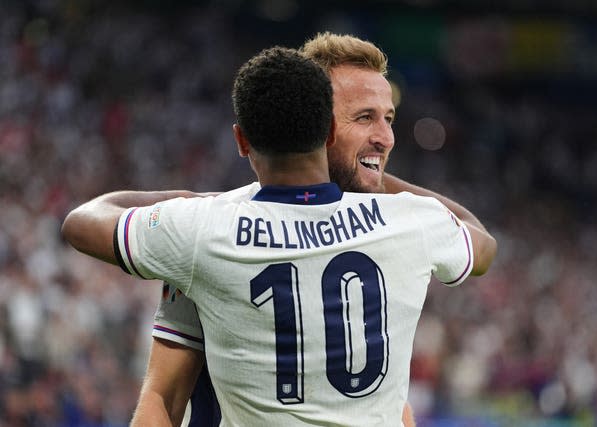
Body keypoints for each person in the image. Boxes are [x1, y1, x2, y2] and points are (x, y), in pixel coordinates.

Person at [62, 46, 496, 426]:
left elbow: (84, 221)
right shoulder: (410, 223)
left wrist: (189, 201)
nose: (383, 137)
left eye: (387, 118)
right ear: (323, 129)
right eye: (363, 118)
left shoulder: (203, 231)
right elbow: (163, 397)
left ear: (242, 140)